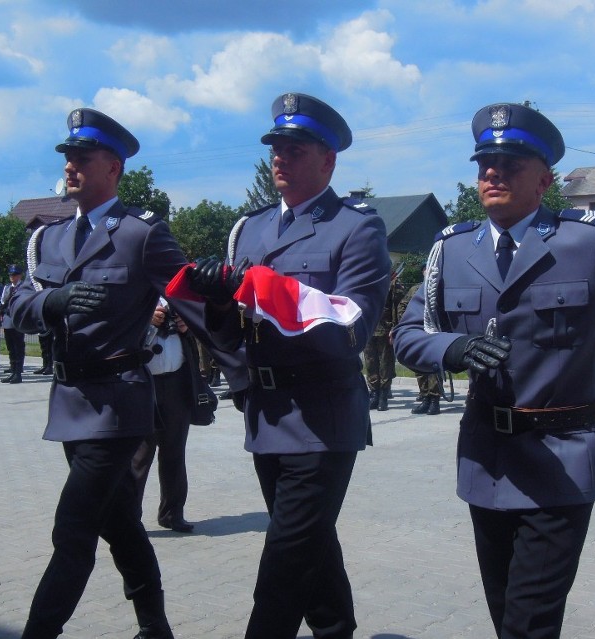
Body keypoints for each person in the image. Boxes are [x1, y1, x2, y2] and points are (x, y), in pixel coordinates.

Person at [392, 102, 595, 639]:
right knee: (507, 616)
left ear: (545, 179)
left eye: (510, 163)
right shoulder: (451, 249)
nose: (492, 174)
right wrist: (453, 349)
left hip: (561, 461)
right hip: (486, 460)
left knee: (530, 622)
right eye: (484, 164)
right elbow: (408, 335)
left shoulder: (588, 242)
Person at [182, 92, 391, 639]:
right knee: (310, 545)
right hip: (268, 413)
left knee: (284, 557)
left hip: (323, 416)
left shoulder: (357, 227)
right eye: (276, 146)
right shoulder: (249, 230)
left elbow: (352, 328)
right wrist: (220, 300)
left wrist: (261, 290)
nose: (280, 157)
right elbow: (235, 332)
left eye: (295, 148)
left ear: (328, 160)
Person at [9, 107, 188, 639]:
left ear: (112, 167)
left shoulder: (140, 234)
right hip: (69, 401)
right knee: (119, 522)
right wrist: (53, 301)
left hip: (118, 405)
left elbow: (190, 298)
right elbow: (16, 308)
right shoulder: (49, 238)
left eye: (82, 158)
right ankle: (156, 627)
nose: (70, 167)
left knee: (74, 529)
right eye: (67, 158)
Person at [131, 299, 204, 533]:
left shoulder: (180, 296)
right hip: (143, 385)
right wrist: (146, 319)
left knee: (174, 452)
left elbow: (206, 332)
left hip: (176, 384)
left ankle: (172, 514)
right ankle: (129, 518)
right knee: (139, 456)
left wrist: (187, 325)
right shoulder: (136, 293)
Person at [397, 280, 443, 415]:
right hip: (418, 331)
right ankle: (425, 397)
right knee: (419, 364)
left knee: (434, 365)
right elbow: (403, 305)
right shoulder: (416, 288)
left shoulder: (440, 286)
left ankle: (435, 400)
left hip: (435, 330)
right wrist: (406, 323)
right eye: (425, 269)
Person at [364, 270, 404, 411]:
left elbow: (398, 306)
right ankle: (374, 394)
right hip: (368, 327)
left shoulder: (392, 282)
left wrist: (396, 327)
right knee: (370, 363)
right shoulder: (365, 281)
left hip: (386, 329)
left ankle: (383, 396)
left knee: (385, 364)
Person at [0, 264, 26, 384]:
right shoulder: (7, 288)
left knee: (18, 347)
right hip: (8, 321)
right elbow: (1, 301)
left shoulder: (24, 288)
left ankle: (18, 373)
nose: (12, 277)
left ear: (20, 275)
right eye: (11, 275)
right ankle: (13, 371)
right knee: (10, 348)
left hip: (17, 321)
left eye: (15, 275)